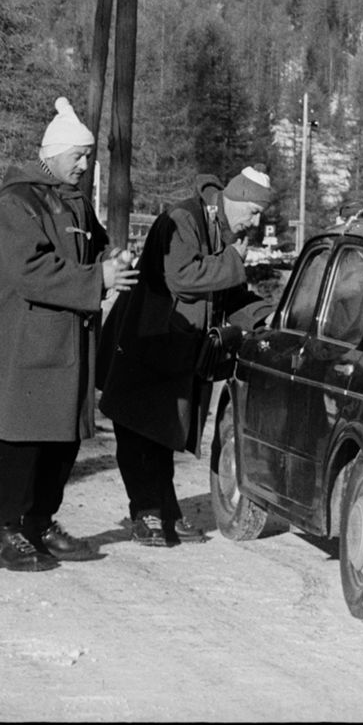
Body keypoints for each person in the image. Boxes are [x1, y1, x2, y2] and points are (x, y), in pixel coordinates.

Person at [0, 97, 137, 573]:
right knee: (18, 437)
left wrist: (114, 258)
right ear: (53, 153)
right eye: (77, 157)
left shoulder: (75, 200)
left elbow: (93, 244)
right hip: (22, 344)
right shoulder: (17, 201)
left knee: (61, 440)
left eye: (88, 157)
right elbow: (28, 270)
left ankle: (39, 523)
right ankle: (7, 534)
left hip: (66, 342)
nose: (84, 166)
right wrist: (97, 281)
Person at [97, 165, 276, 547]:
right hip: (146, 340)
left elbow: (226, 293)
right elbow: (181, 275)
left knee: (162, 432)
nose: (256, 222)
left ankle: (165, 510)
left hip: (172, 345)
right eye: (255, 211)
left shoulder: (220, 228)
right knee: (137, 429)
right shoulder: (183, 219)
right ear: (238, 198)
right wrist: (232, 261)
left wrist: (266, 314)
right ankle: (146, 513)